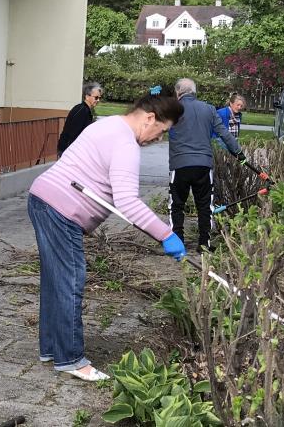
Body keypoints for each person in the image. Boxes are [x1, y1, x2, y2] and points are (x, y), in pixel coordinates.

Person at [28, 93, 186, 382]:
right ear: (150, 118)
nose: (158, 139)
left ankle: (52, 348)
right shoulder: (125, 143)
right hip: (61, 209)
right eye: (161, 131)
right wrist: (166, 234)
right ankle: (72, 359)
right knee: (70, 279)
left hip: (43, 198)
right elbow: (127, 202)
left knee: (55, 280)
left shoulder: (108, 124)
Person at [168, 78, 243, 253]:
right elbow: (224, 134)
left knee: (176, 204)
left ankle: (178, 242)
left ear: (178, 93)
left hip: (180, 164)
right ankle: (204, 244)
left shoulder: (173, 110)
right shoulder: (209, 109)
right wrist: (239, 153)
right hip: (203, 165)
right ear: (195, 92)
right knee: (204, 206)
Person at [57, 82, 102, 155]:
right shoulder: (82, 111)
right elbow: (73, 134)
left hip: (71, 150)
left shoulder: (84, 109)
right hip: (68, 151)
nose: (98, 100)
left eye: (99, 98)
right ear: (87, 97)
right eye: (96, 97)